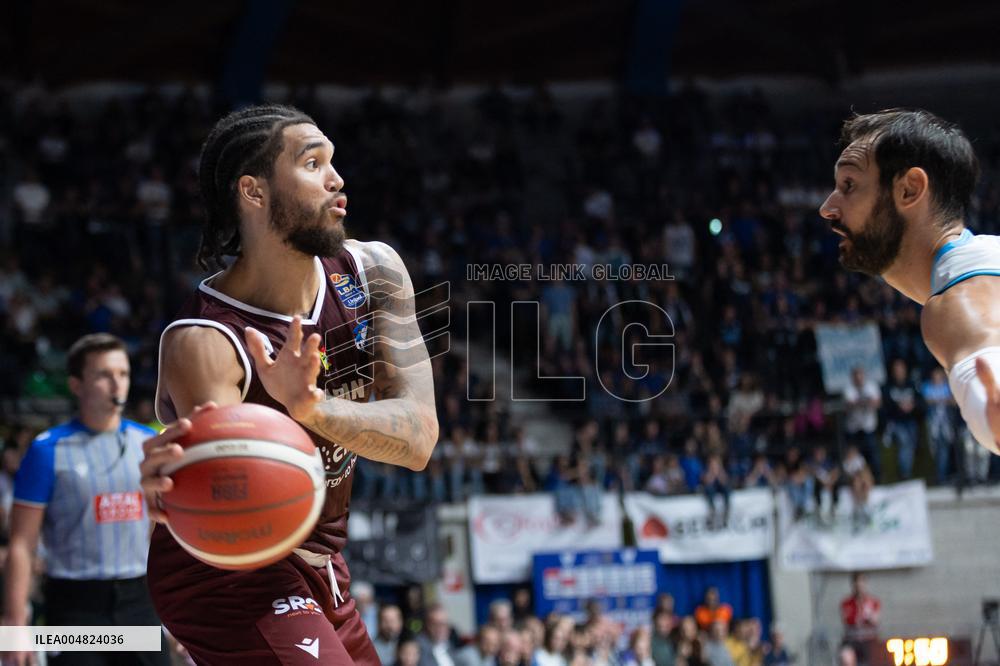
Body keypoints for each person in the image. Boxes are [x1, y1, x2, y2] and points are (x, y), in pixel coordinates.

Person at [139, 105, 438, 664]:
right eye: (312, 162)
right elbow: (227, 484)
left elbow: (419, 440)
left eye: (334, 161)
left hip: (322, 564)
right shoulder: (206, 340)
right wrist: (181, 473)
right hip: (225, 574)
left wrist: (311, 409)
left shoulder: (375, 272)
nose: (336, 178)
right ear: (252, 192)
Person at [819, 109, 1000, 457]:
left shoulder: (958, 297)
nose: (827, 207)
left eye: (849, 185)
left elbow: (983, 354)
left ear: (909, 189)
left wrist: (988, 413)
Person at [2, 333, 170, 666]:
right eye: (104, 375)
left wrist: (176, 611)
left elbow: (165, 532)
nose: (117, 384)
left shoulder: (149, 443)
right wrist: (13, 621)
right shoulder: (46, 450)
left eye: (122, 374)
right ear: (76, 385)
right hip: (74, 604)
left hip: (139, 598)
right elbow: (22, 543)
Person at [842, 367, 882, 482]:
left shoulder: (871, 386)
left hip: (868, 429)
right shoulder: (848, 389)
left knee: (874, 458)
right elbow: (850, 404)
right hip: (853, 430)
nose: (858, 380)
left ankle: (876, 481)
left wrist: (860, 402)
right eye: (856, 377)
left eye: (860, 377)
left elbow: (877, 403)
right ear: (853, 378)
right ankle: (856, 482)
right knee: (854, 459)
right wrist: (866, 401)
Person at [839, 573, 881, 665]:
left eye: (861, 583)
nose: (859, 586)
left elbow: (875, 620)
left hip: (868, 641)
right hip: (852, 639)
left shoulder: (873, 602)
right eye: (856, 584)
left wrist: (866, 614)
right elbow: (847, 620)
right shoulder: (847, 603)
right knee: (846, 655)